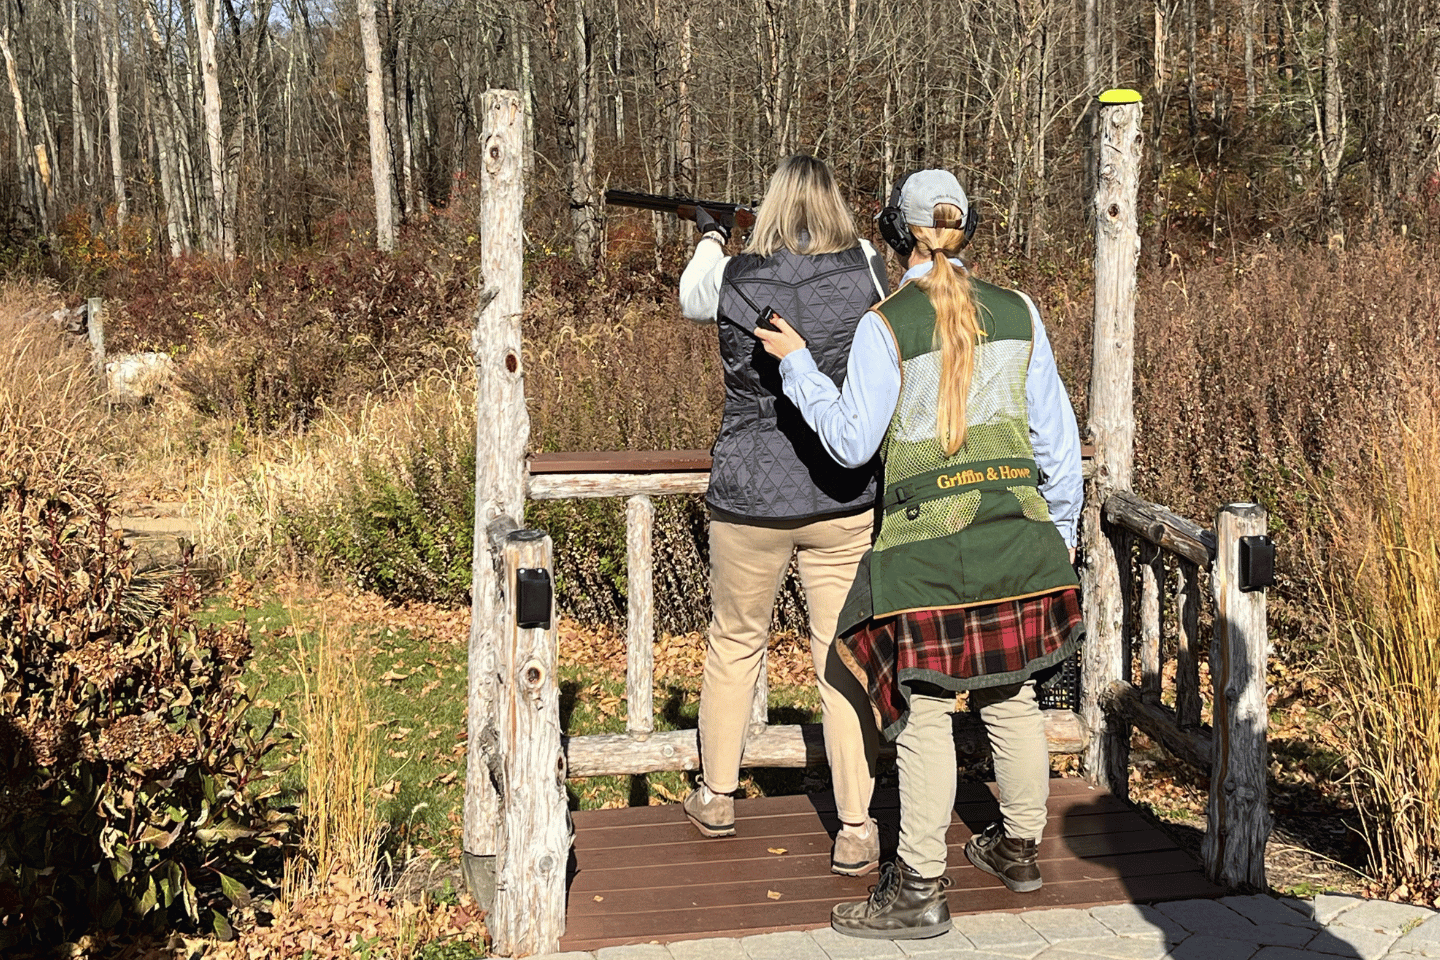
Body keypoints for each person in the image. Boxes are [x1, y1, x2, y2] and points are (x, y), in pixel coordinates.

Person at [754, 169, 1085, 939]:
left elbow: (847, 445)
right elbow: (1058, 447)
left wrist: (798, 365)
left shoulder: (886, 325)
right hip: (1021, 537)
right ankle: (1021, 850)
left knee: (927, 708)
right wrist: (1058, 539)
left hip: (926, 551)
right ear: (968, 228)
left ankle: (920, 889)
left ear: (893, 232)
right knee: (1014, 694)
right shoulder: (1019, 311)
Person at [677, 154, 889, 877]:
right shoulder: (865, 268)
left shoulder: (735, 275)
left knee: (736, 643)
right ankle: (856, 826)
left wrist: (710, 234)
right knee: (842, 655)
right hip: (840, 493)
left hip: (749, 494)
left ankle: (717, 794)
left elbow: (690, 295)